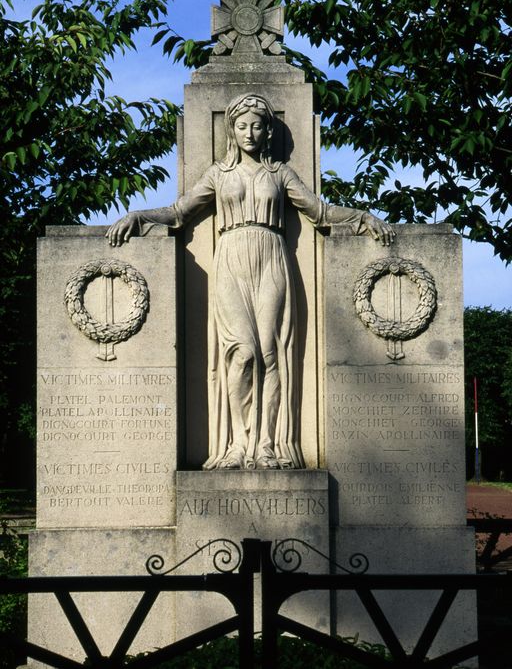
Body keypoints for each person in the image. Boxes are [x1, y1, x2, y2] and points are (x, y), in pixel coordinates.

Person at [107, 93, 394, 470]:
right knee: (241, 352)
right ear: (231, 130)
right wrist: (139, 217)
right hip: (230, 257)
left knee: (271, 353)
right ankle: (238, 445)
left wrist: (362, 216)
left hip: (272, 256)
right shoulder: (218, 174)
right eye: (242, 125)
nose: (250, 132)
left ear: (268, 131)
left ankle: (267, 445)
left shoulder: (280, 174)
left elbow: (320, 212)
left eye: (257, 125)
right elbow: (179, 213)